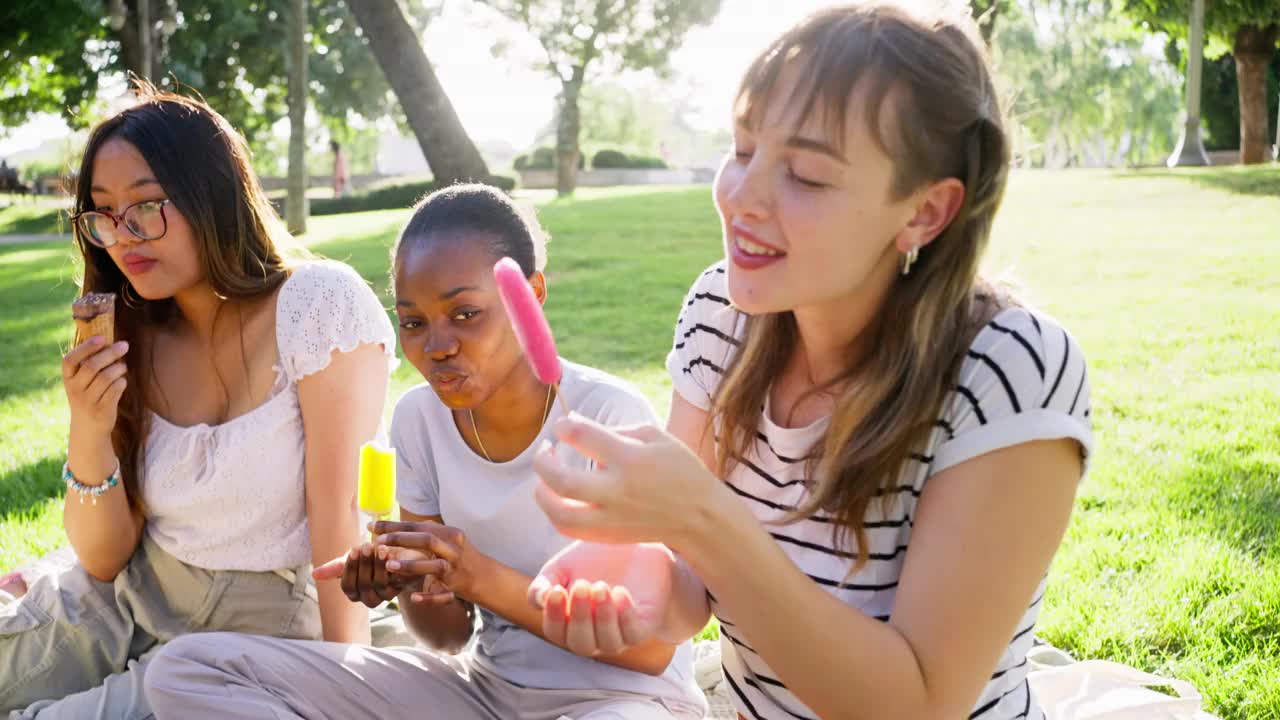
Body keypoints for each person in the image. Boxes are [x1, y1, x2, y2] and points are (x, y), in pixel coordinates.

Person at [526, 4, 1093, 720]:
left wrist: (700, 517)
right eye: (741, 149)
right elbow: (695, 589)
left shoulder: (1010, 368)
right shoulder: (720, 314)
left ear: (923, 213)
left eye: (805, 174)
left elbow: (917, 705)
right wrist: (637, 590)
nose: (740, 196)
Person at [143, 184, 708, 720]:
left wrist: (477, 576)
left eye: (466, 315)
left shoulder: (607, 416)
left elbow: (653, 652)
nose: (436, 347)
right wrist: (415, 583)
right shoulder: (419, 419)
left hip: (619, 700)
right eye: (414, 322)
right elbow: (449, 637)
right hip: (484, 695)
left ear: (531, 295)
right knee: (187, 669)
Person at [0, 89, 396, 719]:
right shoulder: (130, 329)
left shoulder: (317, 306)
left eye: (147, 206)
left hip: (254, 632)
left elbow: (339, 511)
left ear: (211, 193)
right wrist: (91, 425)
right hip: (126, 595)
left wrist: (348, 686)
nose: (122, 237)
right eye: (103, 215)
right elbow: (103, 559)